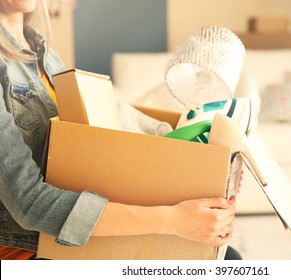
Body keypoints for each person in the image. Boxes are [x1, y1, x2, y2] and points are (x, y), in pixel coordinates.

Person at [0, 0, 240, 260]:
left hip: (76, 234)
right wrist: (174, 220)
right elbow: (29, 204)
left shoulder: (47, 56)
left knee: (227, 258)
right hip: (30, 249)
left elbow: (117, 116)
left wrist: (205, 162)